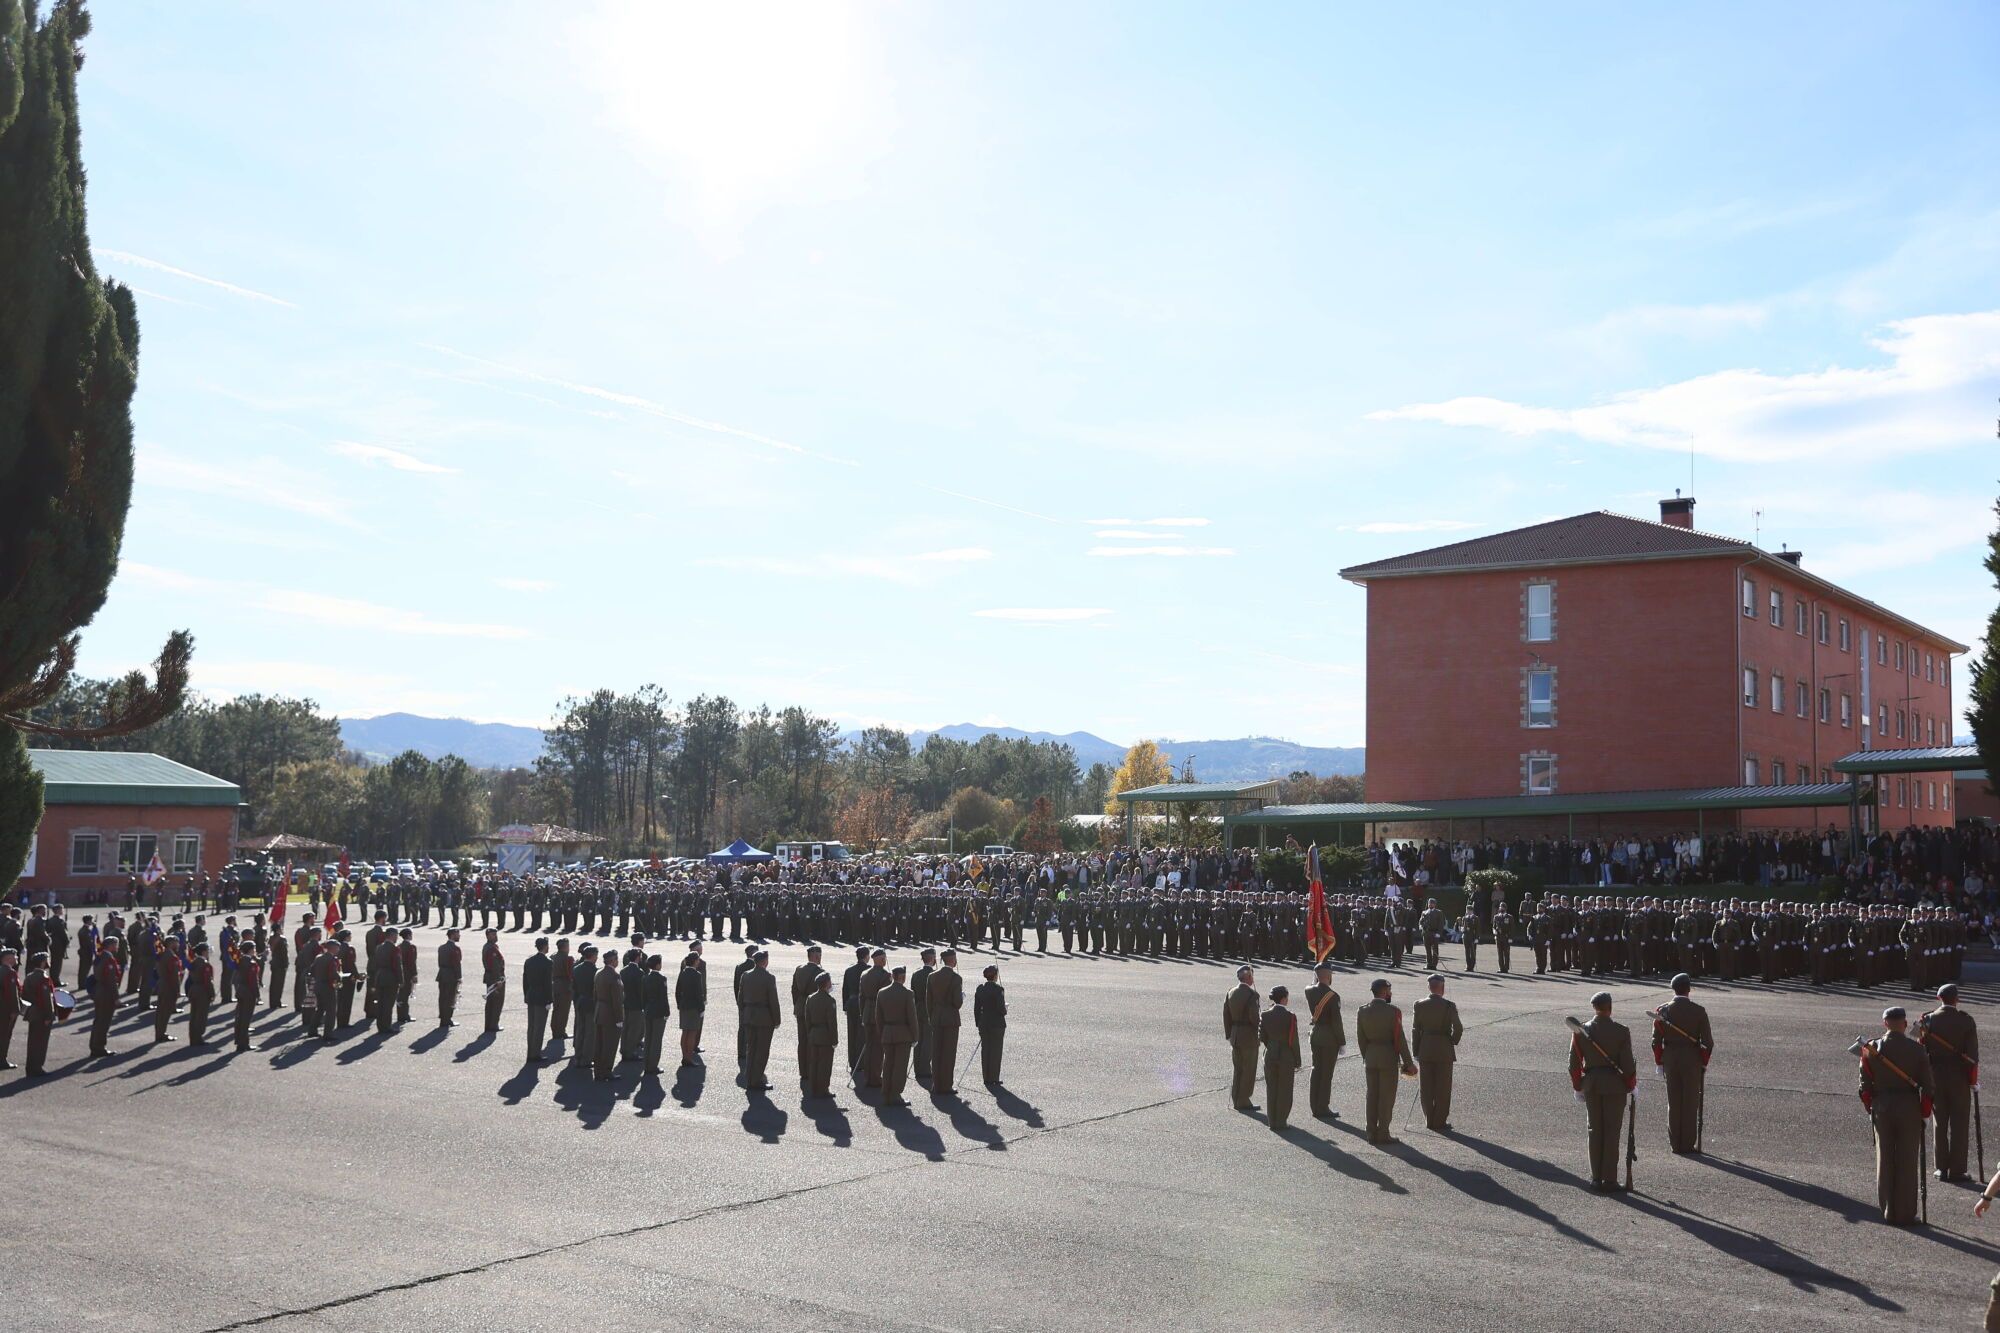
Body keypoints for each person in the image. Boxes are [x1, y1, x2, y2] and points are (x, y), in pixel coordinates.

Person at [1859, 1005, 1936, 1225]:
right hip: (1909, 1107)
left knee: (1884, 1158)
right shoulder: (1917, 1050)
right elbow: (1929, 1087)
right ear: (1903, 1023)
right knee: (1907, 1159)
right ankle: (1905, 1212)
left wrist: (1871, 1108)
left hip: (1882, 1106)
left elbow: (1864, 1086)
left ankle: (1888, 1210)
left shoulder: (1870, 1048)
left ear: (1885, 1023)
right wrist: (1924, 1113)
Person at [1570, 991, 1638, 1192]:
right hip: (1615, 1086)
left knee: (1594, 1130)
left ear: (1594, 1008)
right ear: (1610, 1007)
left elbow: (1573, 1064)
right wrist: (1632, 1085)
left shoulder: (1581, 1031)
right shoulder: (1621, 1031)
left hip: (1592, 1084)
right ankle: (1609, 1178)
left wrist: (1578, 1086)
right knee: (1611, 1131)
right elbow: (1627, 1065)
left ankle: (1595, 1177)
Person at [1919, 983, 1980, 1184]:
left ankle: (1941, 1168)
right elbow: (1972, 1057)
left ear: (1938, 998)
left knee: (1940, 1121)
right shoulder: (1966, 1020)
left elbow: (1922, 1051)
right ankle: (1958, 1170)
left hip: (1935, 1074)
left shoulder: (1927, 1020)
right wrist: (1973, 1081)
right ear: (1957, 999)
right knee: (1960, 1122)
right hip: (1959, 1075)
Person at [1651, 973, 1714, 1155]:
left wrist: (1659, 1061)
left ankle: (1675, 1144)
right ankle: (1687, 1144)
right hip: (1692, 1058)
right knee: (1690, 1101)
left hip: (1670, 1057)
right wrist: (1703, 1062)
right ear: (1689, 989)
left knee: (1674, 1100)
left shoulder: (1662, 1011)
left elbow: (1656, 1041)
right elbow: (1708, 1042)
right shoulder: (1698, 1011)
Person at [1355, 977, 1416, 1145]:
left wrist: (1366, 1056)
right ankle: (1383, 1133)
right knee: (1386, 1097)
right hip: (1388, 1058)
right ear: (1384, 991)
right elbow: (1400, 1039)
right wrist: (1408, 1062)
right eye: (1389, 990)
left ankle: (1370, 1133)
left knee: (1371, 1096)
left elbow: (1361, 1039)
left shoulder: (1362, 1011)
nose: (1390, 992)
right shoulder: (1392, 1011)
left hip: (1371, 1056)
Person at [1411, 973, 1462, 1132]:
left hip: (1425, 1047)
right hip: (1444, 1048)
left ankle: (1429, 1119)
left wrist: (1416, 1050)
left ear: (1429, 987)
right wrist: (1452, 1040)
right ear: (1443, 988)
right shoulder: (1449, 1005)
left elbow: (1415, 1030)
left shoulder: (1419, 1004)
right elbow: (1458, 1028)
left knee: (1426, 1086)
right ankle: (1439, 1120)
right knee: (1443, 1087)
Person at [1302, 963, 1345, 1120]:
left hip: (1316, 1034)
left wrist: (1316, 977)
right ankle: (1322, 1107)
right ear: (1329, 975)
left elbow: (1311, 986)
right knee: (1326, 1074)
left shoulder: (1308, 991)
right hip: (1329, 1038)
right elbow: (1336, 1022)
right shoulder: (1333, 996)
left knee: (1316, 1070)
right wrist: (1342, 1042)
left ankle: (1314, 1105)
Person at [738, 949, 782, 1093]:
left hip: (749, 1016)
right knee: (762, 1051)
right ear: (764, 961)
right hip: (764, 1018)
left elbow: (740, 998)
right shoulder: (769, 977)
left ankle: (750, 1078)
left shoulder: (745, 975)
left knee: (751, 1049)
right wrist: (777, 1020)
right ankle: (756, 1080)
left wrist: (744, 1013)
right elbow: (773, 1001)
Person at [875, 965, 918, 1105]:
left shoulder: (882, 992)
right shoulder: (907, 993)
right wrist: (915, 1036)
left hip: (887, 1032)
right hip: (902, 1034)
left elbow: (878, 1017)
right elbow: (912, 1017)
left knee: (888, 1064)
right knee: (900, 1066)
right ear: (903, 977)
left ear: (892, 977)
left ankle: (886, 1091)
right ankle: (895, 1094)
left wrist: (882, 1033)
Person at [1260, 985, 1301, 1131]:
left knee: (1271, 1089)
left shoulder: (1264, 1015)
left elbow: (1262, 1036)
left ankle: (1272, 1121)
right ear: (1284, 999)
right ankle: (1281, 1121)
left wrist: (1271, 1045)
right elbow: (1294, 1041)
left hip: (1270, 1054)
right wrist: (1298, 1060)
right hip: (1286, 1056)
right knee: (1284, 1090)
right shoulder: (1290, 1016)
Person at [1224, 965, 1261, 1111]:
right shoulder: (1252, 995)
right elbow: (1254, 1018)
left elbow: (1226, 1015)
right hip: (1248, 1036)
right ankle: (1244, 1100)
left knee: (1238, 1068)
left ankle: (1236, 1098)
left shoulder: (1231, 992)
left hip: (1235, 1035)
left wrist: (1229, 1034)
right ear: (1248, 977)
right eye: (1252, 975)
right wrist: (1260, 1032)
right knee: (1248, 1069)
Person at [791, 946, 826, 1090]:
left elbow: (794, 989)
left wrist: (798, 1004)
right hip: (814, 1009)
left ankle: (803, 1071)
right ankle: (812, 1070)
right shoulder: (820, 972)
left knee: (802, 1040)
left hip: (800, 1007)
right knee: (813, 1041)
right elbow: (825, 993)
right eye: (819, 955)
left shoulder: (799, 969)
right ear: (816, 956)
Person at [930, 949, 963, 1096]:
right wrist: (962, 997)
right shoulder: (956, 978)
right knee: (948, 1053)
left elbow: (928, 1000)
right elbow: (957, 1002)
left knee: (936, 1052)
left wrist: (932, 1016)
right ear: (953, 960)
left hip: (937, 1017)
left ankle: (936, 1084)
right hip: (950, 1019)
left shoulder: (932, 976)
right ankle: (946, 1085)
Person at [804, 972, 840, 1098]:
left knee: (814, 1063)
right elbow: (832, 1023)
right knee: (825, 1064)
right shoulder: (830, 1000)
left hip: (814, 1034)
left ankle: (814, 1087)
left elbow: (807, 1019)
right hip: (825, 1036)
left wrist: (810, 1033)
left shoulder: (810, 998)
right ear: (826, 983)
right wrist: (834, 1040)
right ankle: (823, 1088)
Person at [21, 951, 57, 1076]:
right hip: (42, 1014)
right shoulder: (43, 978)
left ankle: (30, 1067)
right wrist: (49, 1015)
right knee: (40, 1042)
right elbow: (47, 999)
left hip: (32, 1012)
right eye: (47, 959)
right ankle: (37, 1068)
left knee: (32, 1041)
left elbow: (24, 994)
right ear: (43, 962)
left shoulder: (29, 976)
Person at [592, 946, 624, 1081]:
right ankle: (606, 1071)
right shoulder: (614, 975)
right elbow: (616, 1000)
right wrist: (619, 1018)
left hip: (599, 1011)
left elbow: (595, 994)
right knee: (610, 1044)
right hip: (610, 1014)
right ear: (613, 961)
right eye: (617, 959)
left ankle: (598, 1070)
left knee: (599, 1043)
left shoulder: (598, 973)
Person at [88, 941, 123, 1058]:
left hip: (99, 991)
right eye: (116, 944)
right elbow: (111, 981)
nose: (117, 947)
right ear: (111, 946)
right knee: (104, 1022)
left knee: (98, 1020)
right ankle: (99, 1048)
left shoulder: (100, 956)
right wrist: (116, 998)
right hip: (106, 994)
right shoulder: (108, 959)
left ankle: (94, 1046)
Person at [974, 963, 1007, 1086]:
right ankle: (994, 1077)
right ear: (995, 976)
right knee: (995, 1051)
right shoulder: (999, 989)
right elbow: (1001, 1009)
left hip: (984, 1023)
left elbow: (976, 1008)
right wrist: (1005, 1009)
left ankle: (986, 1077)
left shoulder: (980, 989)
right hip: (996, 1024)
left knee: (985, 1050)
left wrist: (978, 1022)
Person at [522, 937, 553, 1064]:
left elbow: (525, 981)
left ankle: (530, 1052)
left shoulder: (529, 961)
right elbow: (547, 983)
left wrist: (527, 995)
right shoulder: (548, 962)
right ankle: (535, 1054)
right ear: (545, 946)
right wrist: (549, 1000)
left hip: (531, 995)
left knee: (532, 1026)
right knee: (539, 1028)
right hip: (541, 998)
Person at [641, 955, 670, 1075]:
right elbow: (663, 998)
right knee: (656, 1040)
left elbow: (643, 996)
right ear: (658, 965)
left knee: (648, 1038)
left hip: (648, 1010)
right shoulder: (661, 978)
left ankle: (646, 1064)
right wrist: (667, 1012)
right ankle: (653, 1066)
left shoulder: (645, 977)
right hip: (658, 1012)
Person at [676, 947, 705, 1068]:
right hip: (693, 1007)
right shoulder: (697, 974)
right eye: (697, 960)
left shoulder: (683, 972)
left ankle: (684, 1056)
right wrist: (701, 1008)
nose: (698, 962)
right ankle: (688, 1058)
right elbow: (699, 994)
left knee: (685, 1033)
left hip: (684, 1006)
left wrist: (679, 1004)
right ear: (694, 961)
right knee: (692, 1033)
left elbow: (677, 991)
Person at [186, 943, 216, 1045]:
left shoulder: (194, 961)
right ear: (203, 951)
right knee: (201, 1016)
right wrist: (212, 993)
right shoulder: (204, 963)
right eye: (207, 950)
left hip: (194, 989)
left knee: (194, 1015)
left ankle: (193, 1037)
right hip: (202, 991)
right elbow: (207, 981)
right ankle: (198, 1038)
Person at [573, 944, 598, 1065]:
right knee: (590, 1033)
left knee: (580, 1030)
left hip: (580, 1002)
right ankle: (586, 1058)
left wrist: (576, 1001)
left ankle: (578, 1055)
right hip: (591, 1003)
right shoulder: (595, 971)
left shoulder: (577, 968)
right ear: (593, 956)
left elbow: (574, 988)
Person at [234, 947, 263, 1052]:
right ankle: (243, 1043)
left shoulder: (240, 960)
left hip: (240, 990)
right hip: (248, 993)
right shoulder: (251, 963)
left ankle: (238, 1040)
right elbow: (253, 981)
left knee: (240, 1017)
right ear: (250, 950)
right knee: (246, 1019)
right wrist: (257, 994)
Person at [481, 929, 505, 1034]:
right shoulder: (491, 949)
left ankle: (489, 1024)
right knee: (496, 1002)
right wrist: (498, 980)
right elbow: (494, 966)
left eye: (495, 934)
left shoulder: (491, 947)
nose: (495, 936)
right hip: (495, 978)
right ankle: (493, 1024)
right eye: (492, 935)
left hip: (491, 977)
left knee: (491, 1002)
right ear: (487, 936)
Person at [436, 928, 462, 1028]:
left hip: (442, 974)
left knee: (442, 997)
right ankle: (447, 1019)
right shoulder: (455, 949)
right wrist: (459, 977)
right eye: (457, 934)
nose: (459, 936)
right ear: (452, 935)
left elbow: (440, 962)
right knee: (450, 998)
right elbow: (456, 964)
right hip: (451, 975)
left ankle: (443, 1017)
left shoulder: (441, 947)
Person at [551, 937, 574, 1046]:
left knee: (556, 1009)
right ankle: (560, 1031)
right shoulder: (567, 958)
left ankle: (555, 1030)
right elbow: (570, 974)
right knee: (563, 1010)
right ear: (565, 947)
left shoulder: (553, 957)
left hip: (554, 984)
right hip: (565, 985)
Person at [0, 947, 17, 1069]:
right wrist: (15, 1010)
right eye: (14, 956)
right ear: (8, 959)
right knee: (5, 1035)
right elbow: (12, 994)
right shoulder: (10, 973)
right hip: (6, 1010)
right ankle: (2, 1060)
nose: (16, 958)